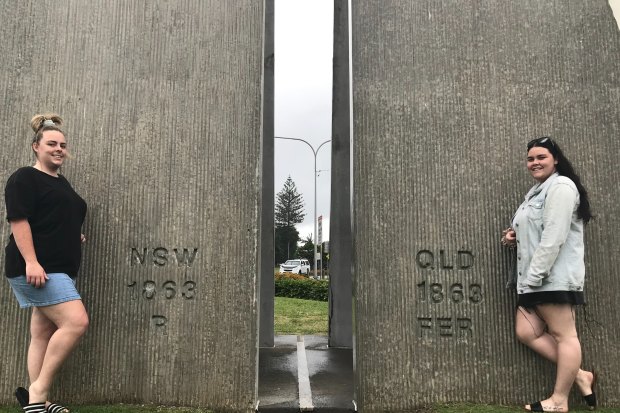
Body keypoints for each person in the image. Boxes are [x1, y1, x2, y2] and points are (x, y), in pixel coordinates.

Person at [501, 137, 596, 412]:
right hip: (533, 278)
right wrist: (514, 236)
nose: (534, 163)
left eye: (541, 157)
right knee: (525, 332)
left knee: (564, 335)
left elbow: (554, 237)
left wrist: (534, 277)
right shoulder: (536, 191)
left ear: (555, 159)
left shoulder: (562, 187)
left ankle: (559, 400)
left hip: (550, 277)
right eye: (530, 158)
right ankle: (579, 374)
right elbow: (536, 228)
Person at [5, 114, 88, 413]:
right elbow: (18, 220)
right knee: (76, 322)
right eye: (52, 143)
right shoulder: (24, 178)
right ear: (35, 146)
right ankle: (37, 393)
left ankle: (39, 401)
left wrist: (71, 234)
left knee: (42, 333)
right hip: (38, 268)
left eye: (63, 145)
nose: (59, 149)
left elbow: (53, 216)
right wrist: (31, 262)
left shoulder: (60, 181)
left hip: (59, 268)